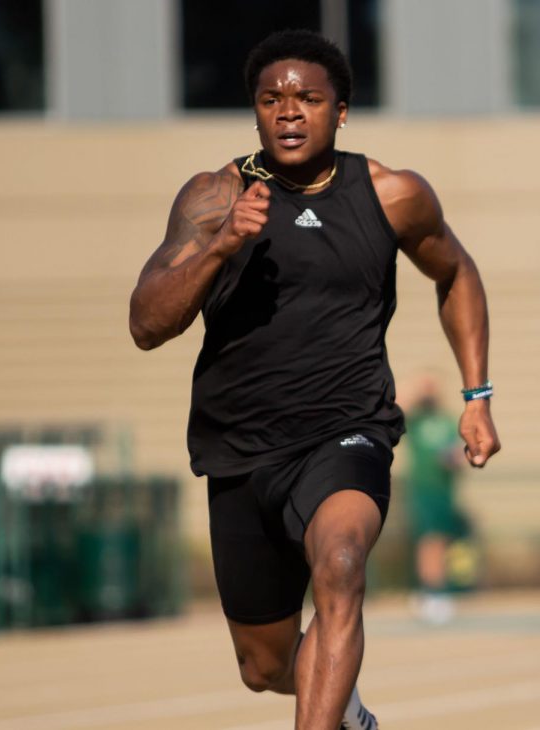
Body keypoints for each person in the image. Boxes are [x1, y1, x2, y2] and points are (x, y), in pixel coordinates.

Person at [129, 29, 500, 730]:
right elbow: (146, 323)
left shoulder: (392, 195)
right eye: (272, 99)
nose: (289, 112)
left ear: (342, 110)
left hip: (346, 433)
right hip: (239, 450)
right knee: (263, 668)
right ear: (256, 112)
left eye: (308, 98)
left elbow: (456, 271)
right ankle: (350, 712)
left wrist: (477, 396)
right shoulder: (215, 196)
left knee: (341, 562)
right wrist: (220, 246)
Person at [402, 375, 469, 624]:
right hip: (423, 488)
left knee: (441, 542)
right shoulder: (417, 421)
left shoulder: (447, 420)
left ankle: (434, 592)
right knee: (430, 541)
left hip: (444, 490)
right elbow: (397, 409)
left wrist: (455, 458)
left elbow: (459, 452)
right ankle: (432, 593)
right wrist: (415, 392)